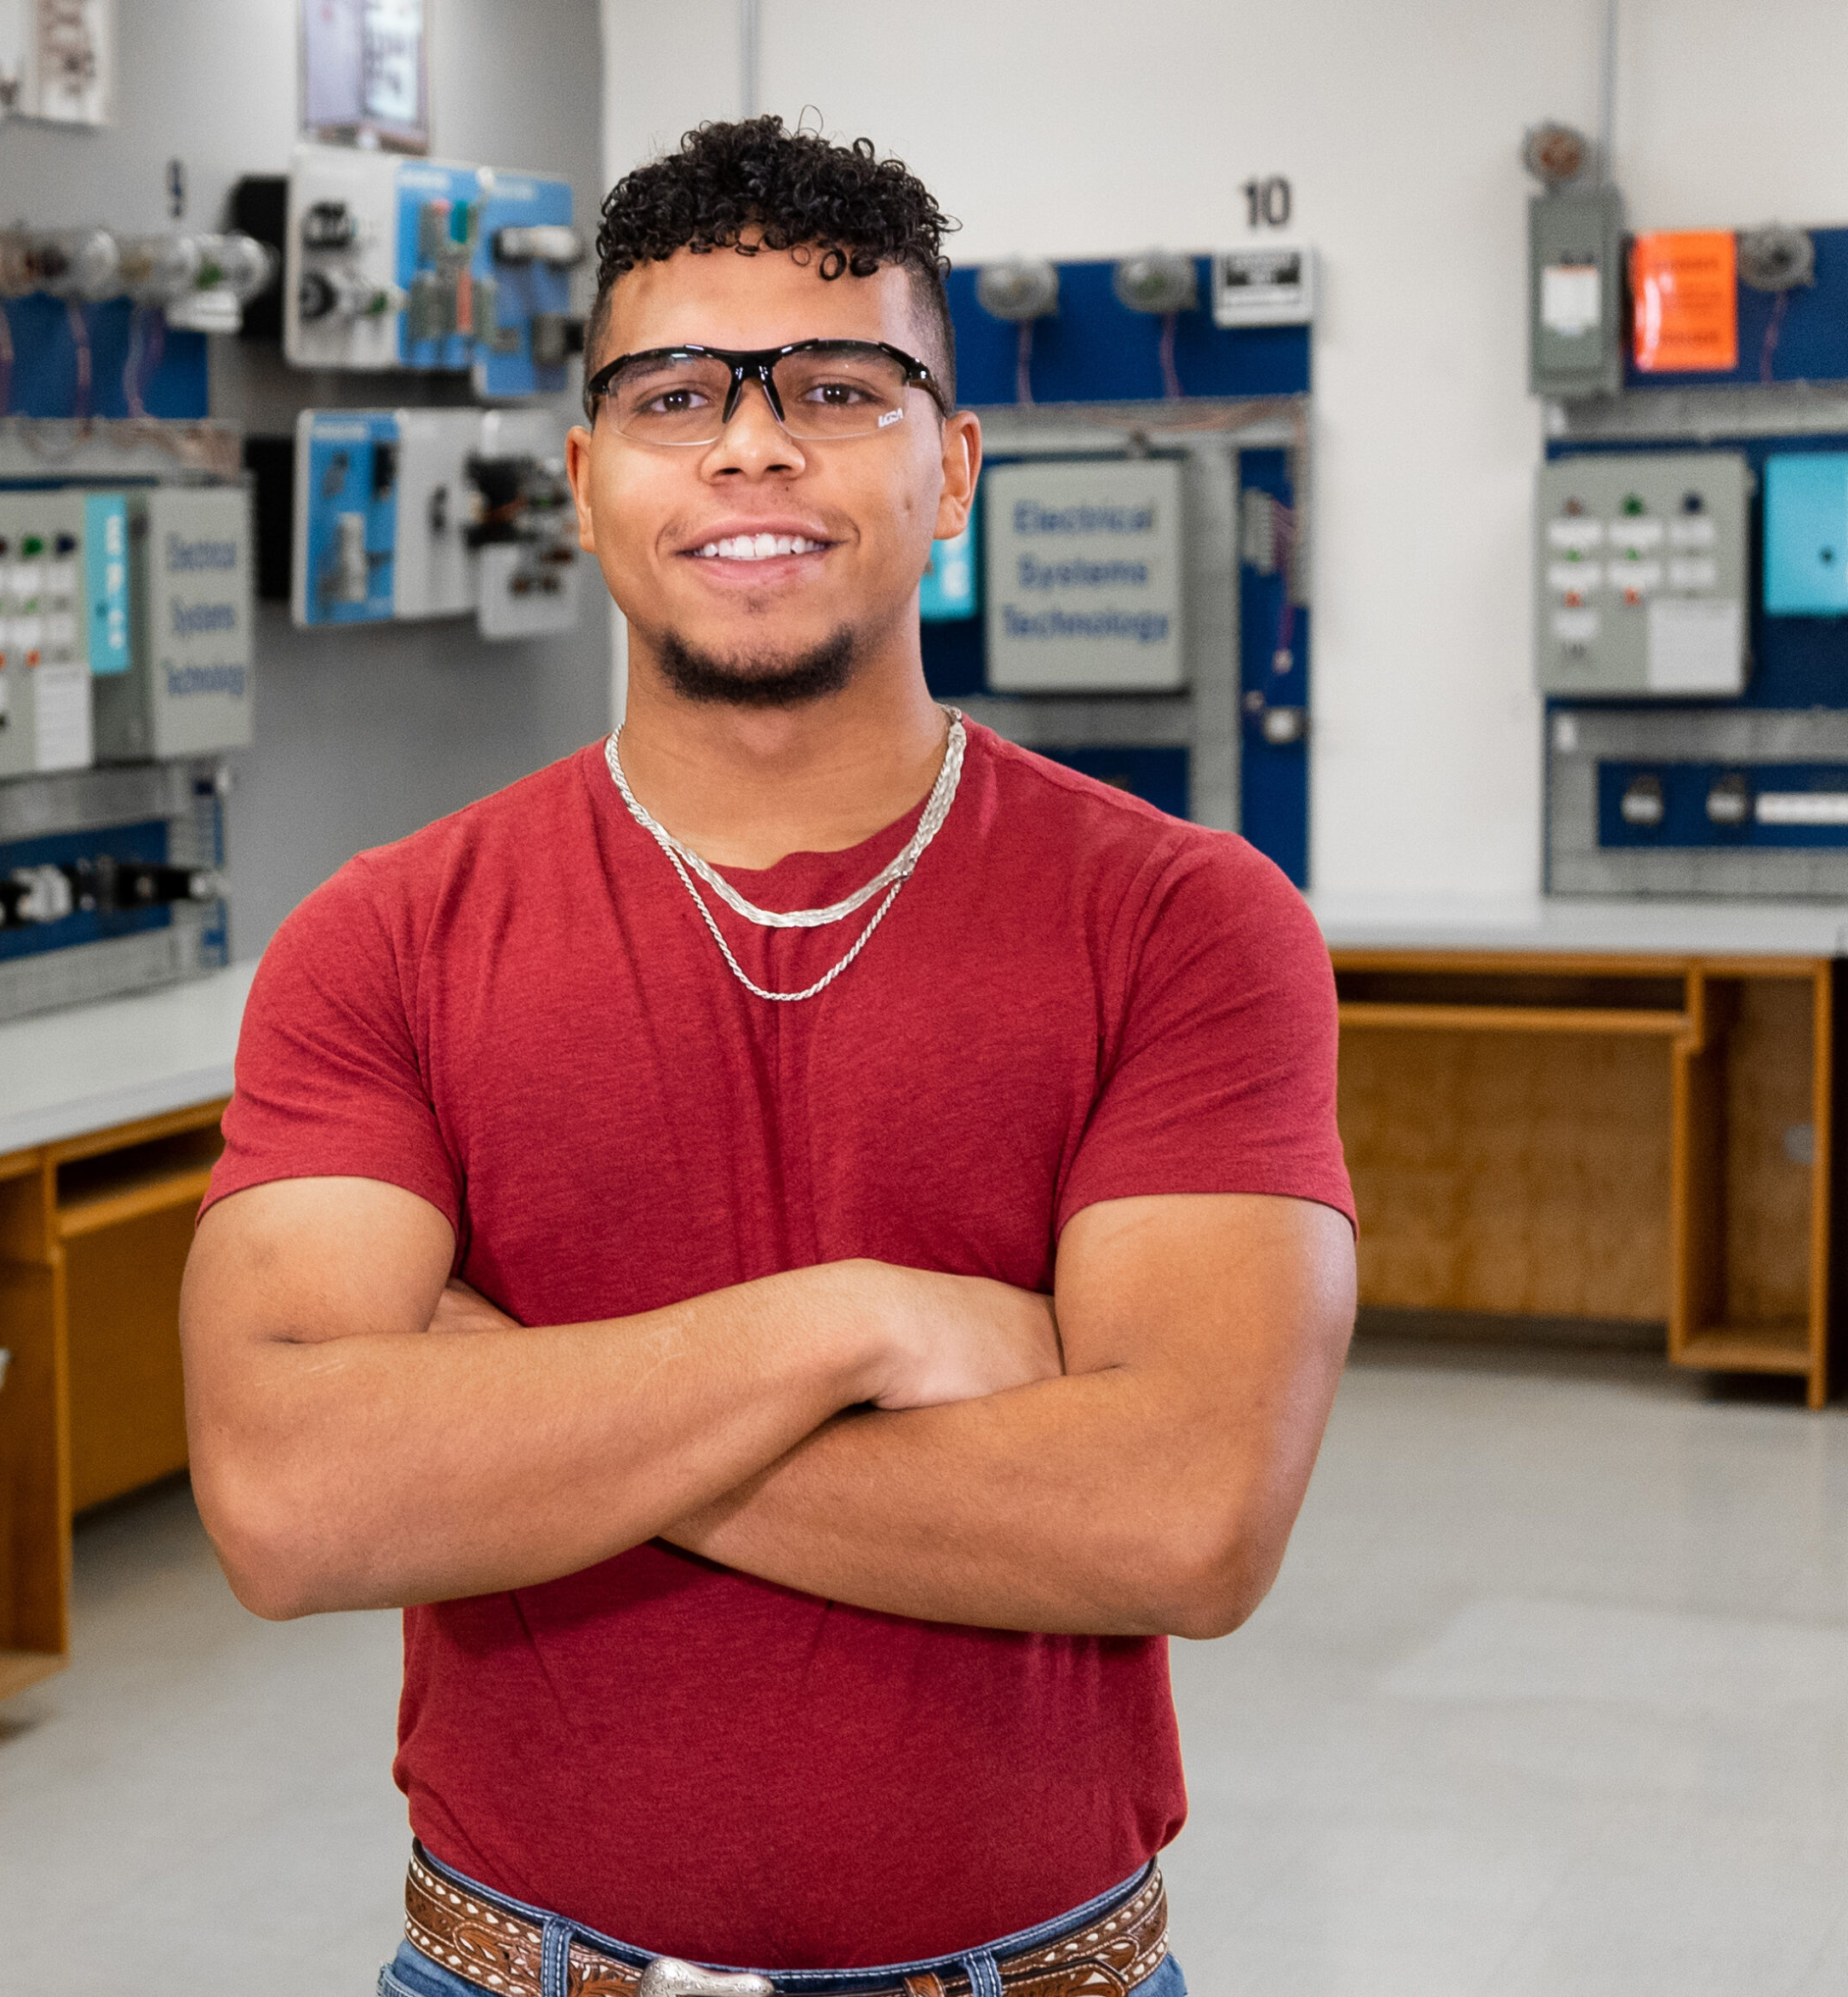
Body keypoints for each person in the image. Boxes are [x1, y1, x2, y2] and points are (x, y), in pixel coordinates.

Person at [182, 114, 1355, 1997]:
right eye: (670, 395)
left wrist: (512, 1416)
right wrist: (860, 1327)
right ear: (582, 479)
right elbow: (291, 1502)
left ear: (952, 464)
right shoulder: (388, 938)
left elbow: (1181, 1519)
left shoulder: (1181, 922)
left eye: (834, 384)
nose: (749, 443)